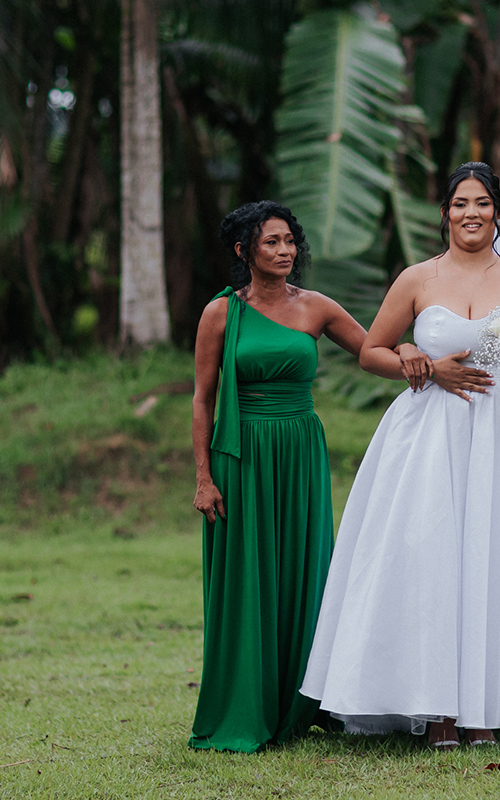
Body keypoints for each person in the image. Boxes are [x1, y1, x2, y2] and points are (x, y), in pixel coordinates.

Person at [300, 163, 500, 749]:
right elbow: (370, 350)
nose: (470, 214)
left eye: (481, 203)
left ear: (497, 211)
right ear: (444, 213)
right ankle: (440, 712)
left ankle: (494, 706)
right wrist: (416, 361)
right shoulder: (417, 279)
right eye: (459, 204)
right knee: (435, 557)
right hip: (432, 437)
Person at [188, 201, 370, 753]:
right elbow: (203, 398)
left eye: (290, 241)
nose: (285, 251)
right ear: (245, 251)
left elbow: (375, 349)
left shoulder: (316, 307)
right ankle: (245, 709)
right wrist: (203, 476)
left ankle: (307, 702)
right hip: (241, 457)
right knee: (248, 578)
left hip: (299, 453)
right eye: (271, 242)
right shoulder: (220, 313)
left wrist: (430, 356)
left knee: (304, 569)